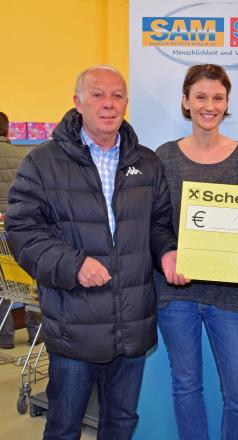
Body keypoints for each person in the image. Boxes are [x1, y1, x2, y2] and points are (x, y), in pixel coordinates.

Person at [5, 65, 182, 440]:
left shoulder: (146, 163)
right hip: (74, 324)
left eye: (117, 96)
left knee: (120, 423)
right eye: (98, 95)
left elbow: (158, 226)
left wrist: (167, 251)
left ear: (126, 104)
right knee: (65, 426)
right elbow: (22, 231)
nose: (108, 104)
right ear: (77, 102)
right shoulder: (42, 162)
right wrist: (73, 265)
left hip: (132, 323)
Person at [154, 64, 238, 440]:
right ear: (186, 101)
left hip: (229, 294)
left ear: (227, 102)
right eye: (200, 96)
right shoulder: (163, 156)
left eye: (218, 97)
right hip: (177, 292)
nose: (209, 105)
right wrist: (168, 254)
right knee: (186, 387)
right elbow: (157, 222)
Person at [0, 111, 40, 349]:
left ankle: (5, 337)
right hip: (19, 228)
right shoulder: (25, 156)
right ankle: (36, 331)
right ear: (7, 130)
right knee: (28, 280)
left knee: (3, 284)